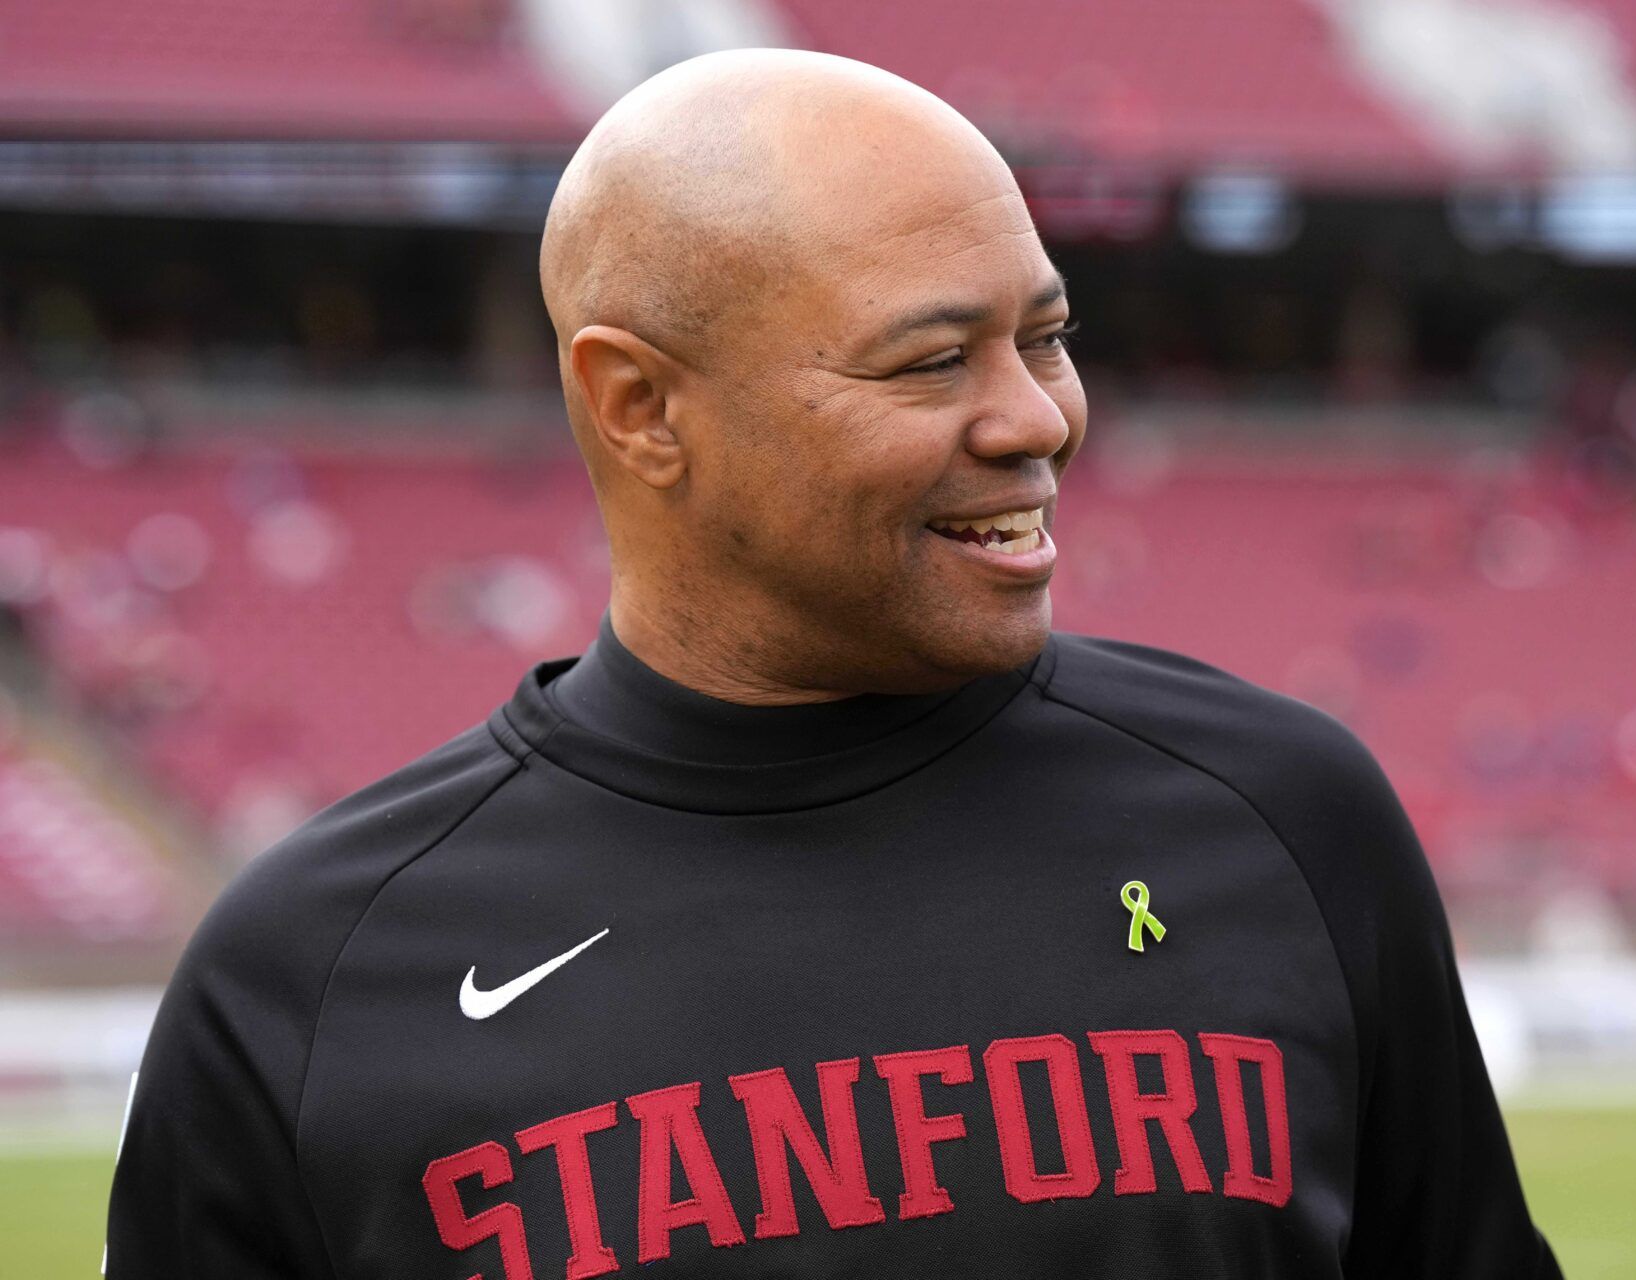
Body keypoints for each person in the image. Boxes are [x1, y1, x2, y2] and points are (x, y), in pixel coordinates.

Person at [105, 49, 1559, 1279]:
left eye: (1045, 337)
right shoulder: (308, 980)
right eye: (930, 361)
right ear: (639, 407)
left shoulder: (1288, 817)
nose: (1037, 420)